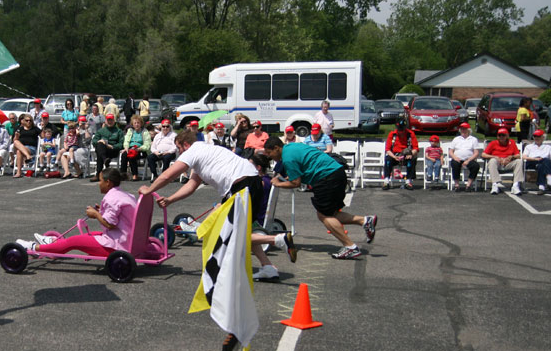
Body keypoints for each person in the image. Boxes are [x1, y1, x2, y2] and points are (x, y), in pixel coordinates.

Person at [139, 130, 296, 280]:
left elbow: (168, 175)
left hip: (241, 186)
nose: (179, 152)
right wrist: (170, 199)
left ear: (185, 144)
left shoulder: (192, 151)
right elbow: (191, 186)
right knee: (242, 231)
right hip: (252, 182)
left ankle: (277, 240)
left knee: (228, 232)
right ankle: (267, 267)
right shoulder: (206, 152)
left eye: (179, 148)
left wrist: (149, 189)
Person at [264, 137, 377, 260]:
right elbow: (303, 167)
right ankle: (365, 221)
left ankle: (350, 246)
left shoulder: (287, 158)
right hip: (337, 172)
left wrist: (277, 183)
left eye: (269, 153)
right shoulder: (292, 147)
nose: (270, 157)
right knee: (332, 213)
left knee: (324, 215)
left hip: (326, 178)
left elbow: (295, 183)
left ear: (276, 148)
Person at [17, 168, 137, 255]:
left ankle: (34, 248)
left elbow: (110, 224)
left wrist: (95, 214)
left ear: (108, 182)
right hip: (127, 239)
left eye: (100, 181)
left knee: (73, 241)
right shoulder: (125, 195)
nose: (99, 184)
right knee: (89, 235)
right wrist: (101, 212)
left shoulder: (111, 198)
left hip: (117, 246)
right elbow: (119, 217)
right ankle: (52, 245)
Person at [483, 127, 525, 195]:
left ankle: (515, 185)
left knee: (519, 161)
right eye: (500, 135)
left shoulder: (512, 143)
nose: (501, 137)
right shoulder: (493, 143)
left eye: (503, 135)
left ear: (507, 136)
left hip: (508, 164)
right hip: (497, 164)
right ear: (497, 136)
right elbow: (483, 154)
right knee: (492, 161)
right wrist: (495, 157)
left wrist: (511, 157)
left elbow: (518, 155)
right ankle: (495, 185)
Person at [382, 117, 418, 190]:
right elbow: (388, 150)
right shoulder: (392, 134)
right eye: (399, 130)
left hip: (406, 155)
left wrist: (411, 154)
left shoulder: (411, 134)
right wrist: (394, 156)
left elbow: (416, 148)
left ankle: (408, 181)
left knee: (411, 161)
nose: (401, 132)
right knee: (388, 160)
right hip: (394, 155)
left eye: (402, 130)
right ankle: (386, 181)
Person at [448, 122, 480, 192]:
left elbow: (476, 153)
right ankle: (456, 185)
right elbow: (451, 151)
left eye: (464, 129)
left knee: (476, 166)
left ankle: (468, 185)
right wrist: (455, 157)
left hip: (469, 159)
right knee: (454, 164)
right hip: (457, 158)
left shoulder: (473, 139)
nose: (463, 130)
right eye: (461, 129)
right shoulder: (456, 139)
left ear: (468, 130)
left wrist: (468, 160)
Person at [90, 113, 123, 182]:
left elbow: (121, 144)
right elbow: (94, 141)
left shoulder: (119, 131)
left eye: (111, 120)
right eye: (108, 120)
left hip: (112, 150)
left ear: (114, 121)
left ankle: (98, 174)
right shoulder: (101, 131)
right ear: (105, 121)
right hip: (103, 150)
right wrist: (100, 141)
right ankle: (105, 160)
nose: (110, 122)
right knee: (100, 145)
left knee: (100, 152)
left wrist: (113, 146)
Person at [121, 115, 151, 181]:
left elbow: (147, 144)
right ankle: (123, 174)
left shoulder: (145, 132)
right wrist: (126, 147)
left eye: (138, 123)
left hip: (141, 149)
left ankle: (135, 174)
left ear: (141, 123)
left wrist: (139, 148)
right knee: (124, 155)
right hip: (130, 148)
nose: (136, 124)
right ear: (132, 124)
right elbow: (126, 140)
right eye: (135, 123)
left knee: (132, 156)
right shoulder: (130, 131)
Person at [522, 129, 551, 194]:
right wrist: (535, 159)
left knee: (542, 165)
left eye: (538, 136)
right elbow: (524, 157)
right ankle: (549, 178)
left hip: (543, 163)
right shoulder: (529, 146)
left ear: (543, 137)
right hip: (531, 161)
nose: (536, 138)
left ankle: (541, 187)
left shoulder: (548, 147)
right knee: (545, 161)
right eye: (535, 136)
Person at [13, 113, 41, 178]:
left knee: (19, 151)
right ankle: (19, 171)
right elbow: (15, 140)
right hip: (22, 147)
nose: (28, 122)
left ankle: (19, 172)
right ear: (24, 121)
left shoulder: (35, 129)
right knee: (16, 144)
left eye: (30, 120)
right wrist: (16, 136)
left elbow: (43, 137)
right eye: (27, 120)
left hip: (32, 148)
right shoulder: (20, 129)